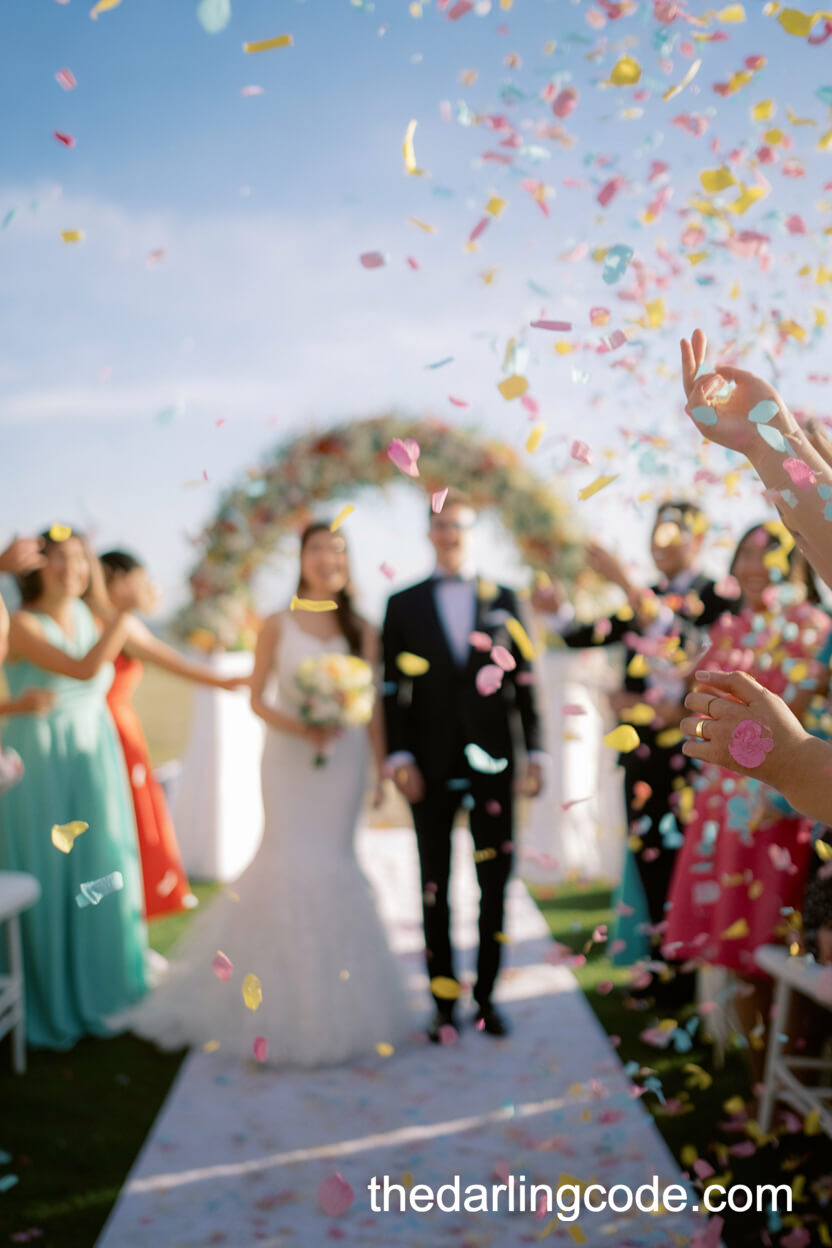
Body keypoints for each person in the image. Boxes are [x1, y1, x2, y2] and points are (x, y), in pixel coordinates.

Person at [125, 522, 410, 1066]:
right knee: (285, 861)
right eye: (318, 549)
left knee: (336, 862)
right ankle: (269, 1005)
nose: (329, 558)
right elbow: (256, 699)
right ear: (301, 559)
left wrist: (379, 772)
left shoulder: (363, 630)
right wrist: (303, 726)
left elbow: (372, 708)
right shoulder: (276, 624)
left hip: (343, 762)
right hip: (288, 758)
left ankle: (340, 1001)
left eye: (338, 550)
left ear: (348, 562)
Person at [532, 503, 738, 967]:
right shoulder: (644, 597)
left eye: (673, 533)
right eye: (656, 532)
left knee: (691, 863)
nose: (660, 543)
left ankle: (686, 970)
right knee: (647, 859)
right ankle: (658, 964)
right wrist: (555, 612)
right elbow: (589, 633)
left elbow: (692, 648)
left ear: (698, 540)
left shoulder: (720, 595)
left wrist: (625, 582)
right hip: (644, 756)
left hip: (697, 754)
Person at [662, 522, 830, 1079]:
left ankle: (789, 1071)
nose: (755, 567)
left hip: (786, 800)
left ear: (799, 564)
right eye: (746, 555)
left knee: (776, 944)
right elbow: (692, 707)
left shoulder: (816, 628)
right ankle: (757, 1073)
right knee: (734, 945)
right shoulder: (727, 628)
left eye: (770, 554)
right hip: (725, 806)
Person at [382, 491, 544, 1042]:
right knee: (434, 885)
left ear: (472, 532)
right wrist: (399, 756)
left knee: (494, 884)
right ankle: (442, 1003)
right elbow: (390, 691)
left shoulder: (507, 597)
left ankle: (488, 1000)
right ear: (429, 533)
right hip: (427, 764)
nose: (449, 534)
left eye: (458, 525)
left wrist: (537, 753)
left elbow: (525, 682)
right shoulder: (401, 604)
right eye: (440, 525)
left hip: (496, 762)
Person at [0, 527, 148, 1049]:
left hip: (92, 758)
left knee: (99, 867)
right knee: (53, 869)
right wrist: (127, 612)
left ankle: (102, 985)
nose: (73, 568)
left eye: (80, 558)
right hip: (41, 764)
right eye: (59, 558)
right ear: (37, 566)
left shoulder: (90, 617)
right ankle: (48, 997)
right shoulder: (19, 622)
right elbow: (87, 670)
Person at [98, 550, 247, 920]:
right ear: (115, 579)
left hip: (118, 726)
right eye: (139, 580)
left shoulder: (110, 622)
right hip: (111, 730)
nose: (146, 589)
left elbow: (169, 660)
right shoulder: (116, 623)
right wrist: (226, 681)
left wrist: (226, 680)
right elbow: (175, 663)